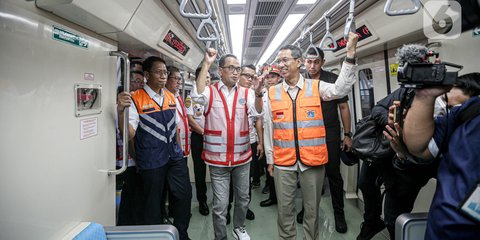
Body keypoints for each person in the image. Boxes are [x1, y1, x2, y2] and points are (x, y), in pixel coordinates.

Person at [263, 32, 358, 240]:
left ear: (298, 63)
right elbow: (269, 129)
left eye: (285, 60)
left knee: (312, 212)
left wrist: (350, 53)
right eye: (279, 61)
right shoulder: (272, 93)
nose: (281, 64)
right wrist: (270, 159)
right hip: (283, 162)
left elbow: (340, 89)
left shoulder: (316, 87)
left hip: (312, 161)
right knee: (285, 212)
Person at [117, 56, 192, 240]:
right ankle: (156, 236)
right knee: (152, 205)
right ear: (147, 75)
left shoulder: (171, 96)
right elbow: (129, 134)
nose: (163, 76)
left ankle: (181, 234)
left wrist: (179, 152)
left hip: (174, 157)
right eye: (159, 72)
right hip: (151, 161)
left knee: (184, 196)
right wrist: (120, 111)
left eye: (165, 72)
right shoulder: (136, 99)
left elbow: (174, 129)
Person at [191, 49, 263, 240]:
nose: (235, 72)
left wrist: (258, 94)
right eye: (231, 68)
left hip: (242, 158)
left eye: (237, 68)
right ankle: (220, 237)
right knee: (220, 205)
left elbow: (257, 113)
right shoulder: (211, 91)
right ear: (220, 70)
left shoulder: (246, 93)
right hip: (218, 160)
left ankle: (239, 227)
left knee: (243, 199)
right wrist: (206, 63)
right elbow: (197, 96)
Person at [403, 72, 480, 239]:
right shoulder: (465, 114)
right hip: (448, 229)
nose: (447, 109)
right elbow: (419, 147)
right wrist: (425, 97)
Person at [296, 47, 353, 233]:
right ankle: (307, 209)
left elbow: (343, 107)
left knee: (333, 174)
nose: (312, 66)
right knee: (309, 174)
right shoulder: (299, 80)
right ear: (304, 61)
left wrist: (347, 134)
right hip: (307, 134)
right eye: (309, 61)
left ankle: (339, 214)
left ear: (322, 62)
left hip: (330, 132)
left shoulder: (332, 79)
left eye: (316, 62)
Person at [116, 69, 145, 226]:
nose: (139, 85)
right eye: (136, 81)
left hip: (134, 160)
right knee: (132, 198)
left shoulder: (138, 102)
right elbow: (129, 137)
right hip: (130, 161)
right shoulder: (124, 105)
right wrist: (138, 160)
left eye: (141, 82)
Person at [187, 67, 211, 216]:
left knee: (217, 169)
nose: (207, 79)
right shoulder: (191, 96)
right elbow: (190, 119)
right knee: (200, 170)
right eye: (204, 77)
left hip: (214, 138)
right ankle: (202, 200)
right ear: (198, 78)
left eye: (208, 77)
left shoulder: (213, 94)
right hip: (199, 137)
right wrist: (204, 132)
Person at [259, 65, 282, 207]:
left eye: (273, 76)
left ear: (279, 78)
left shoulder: (283, 93)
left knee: (285, 173)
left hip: (283, 138)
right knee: (270, 168)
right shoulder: (261, 94)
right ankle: (273, 197)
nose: (270, 80)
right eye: (267, 77)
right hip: (267, 136)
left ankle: (283, 201)